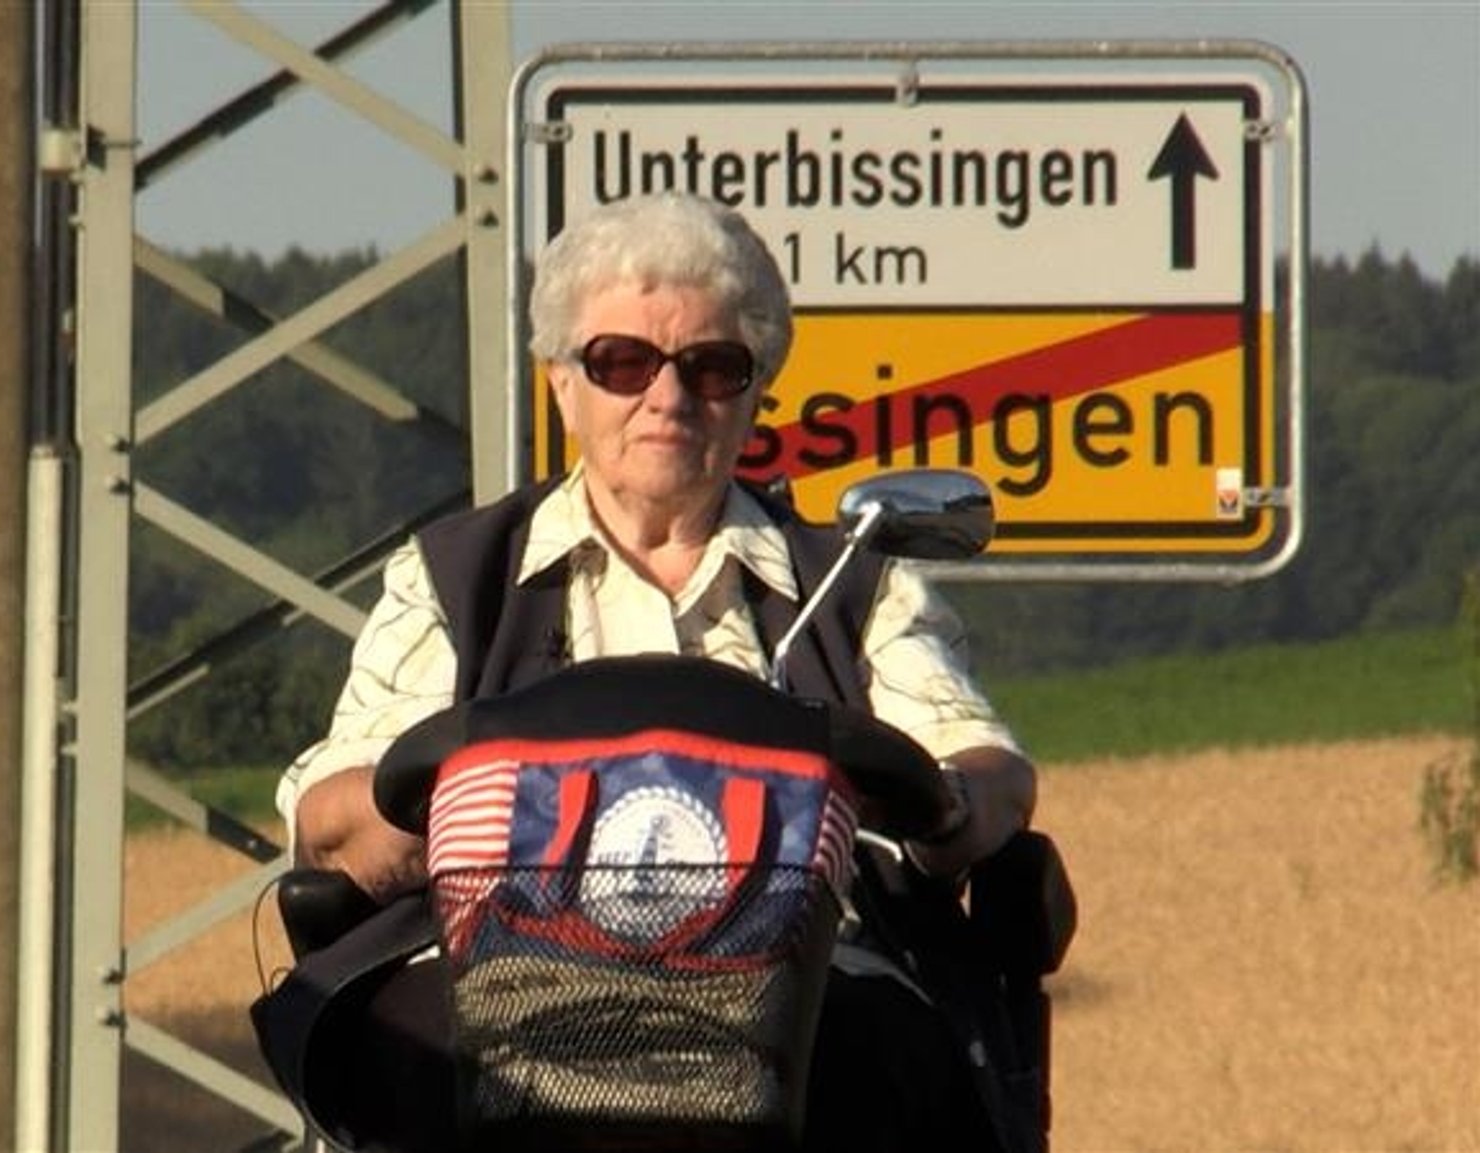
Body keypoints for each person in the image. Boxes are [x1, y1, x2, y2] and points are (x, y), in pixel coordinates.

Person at [274, 191, 1038, 1153]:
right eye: (622, 361)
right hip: (508, 983)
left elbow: (987, 769)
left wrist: (950, 799)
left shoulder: (854, 582)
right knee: (411, 1055)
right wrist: (422, 805)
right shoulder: (456, 577)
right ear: (560, 381)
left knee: (889, 1049)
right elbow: (331, 820)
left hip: (805, 986)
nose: (668, 397)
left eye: (712, 367)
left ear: (758, 389)